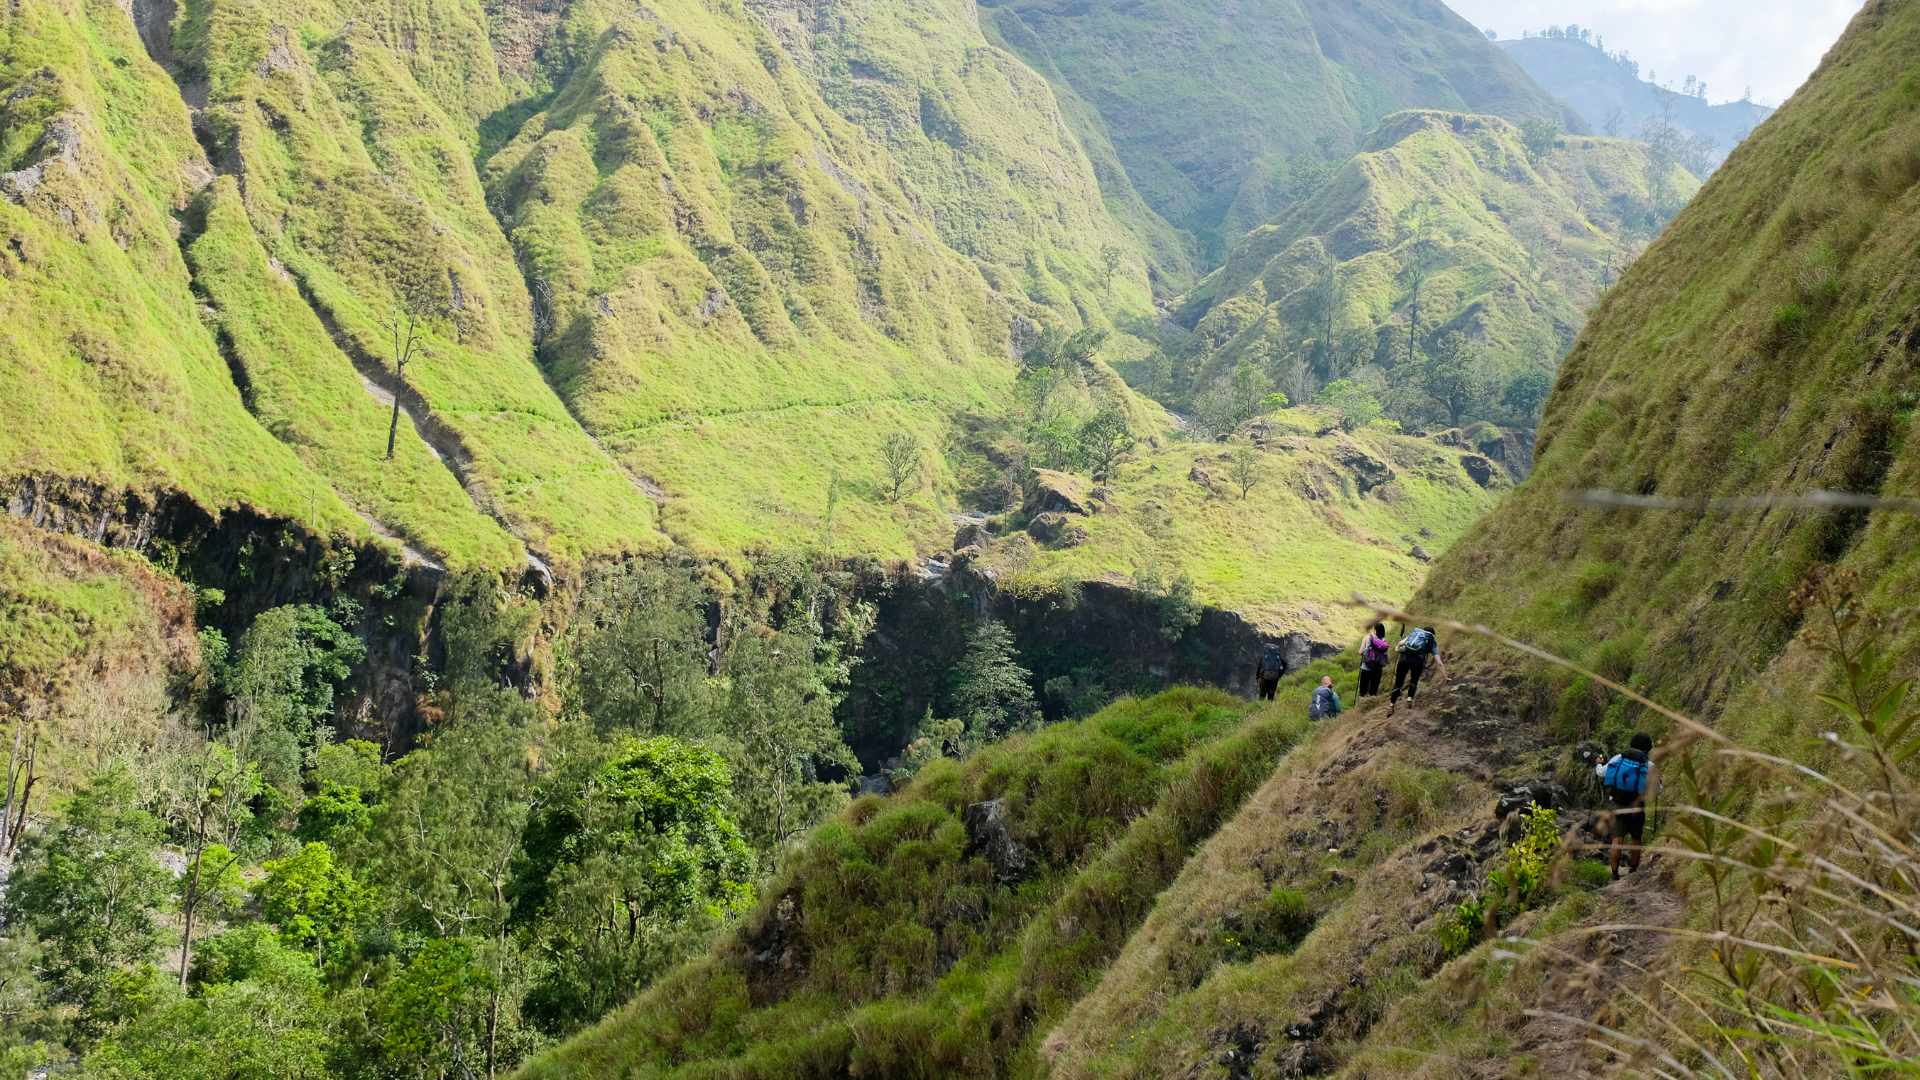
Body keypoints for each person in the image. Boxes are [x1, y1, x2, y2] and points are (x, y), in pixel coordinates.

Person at [1599, 733, 1654, 879]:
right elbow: (1657, 789)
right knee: (1636, 838)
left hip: (1617, 804)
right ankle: (1633, 872)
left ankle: (1615, 873)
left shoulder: (1619, 758)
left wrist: (1598, 763)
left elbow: (1601, 773)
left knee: (1617, 839)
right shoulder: (1648, 765)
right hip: (1637, 806)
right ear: (1648, 748)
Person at [1386, 626, 1443, 714]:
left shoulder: (1414, 634)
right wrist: (1445, 676)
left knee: (1398, 683)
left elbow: (1400, 643)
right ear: (1432, 635)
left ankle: (1391, 705)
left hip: (1403, 659)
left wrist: (1397, 648)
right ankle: (1409, 698)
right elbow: (1439, 662)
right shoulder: (1431, 641)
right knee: (1414, 680)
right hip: (1417, 661)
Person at [1358, 623, 1390, 697]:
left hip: (1366, 667)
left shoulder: (1367, 637)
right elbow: (1385, 656)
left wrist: (1366, 655)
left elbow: (1360, 652)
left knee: (1363, 690)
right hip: (1378, 669)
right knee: (1373, 690)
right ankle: (1371, 704)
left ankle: (1361, 705)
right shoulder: (1384, 642)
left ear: (1375, 630)